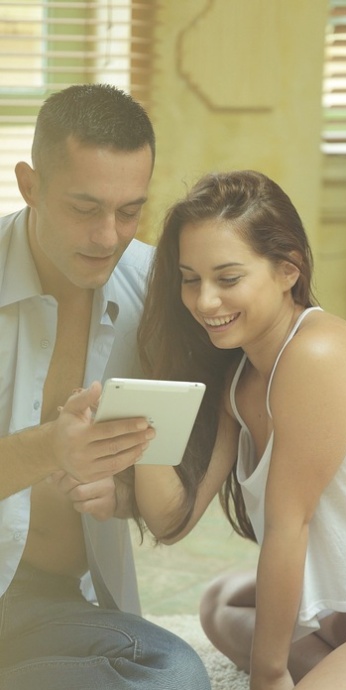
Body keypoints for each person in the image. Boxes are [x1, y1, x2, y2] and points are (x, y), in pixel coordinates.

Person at [136, 169, 346, 690]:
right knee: (220, 603)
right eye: (190, 278)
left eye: (228, 278)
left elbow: (289, 527)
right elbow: (172, 520)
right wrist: (141, 429)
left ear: (289, 269)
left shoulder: (318, 353)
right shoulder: (240, 379)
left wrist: (267, 677)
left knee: (287, 665)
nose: (204, 301)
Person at [0, 84, 211, 690]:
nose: (108, 237)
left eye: (129, 211)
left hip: (52, 602)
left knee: (175, 676)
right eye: (85, 208)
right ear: (30, 184)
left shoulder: (157, 290)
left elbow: (187, 475)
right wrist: (50, 447)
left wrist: (126, 496)